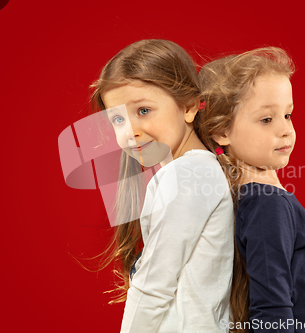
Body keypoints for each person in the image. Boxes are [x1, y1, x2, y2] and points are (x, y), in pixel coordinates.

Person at [197, 47, 305, 332]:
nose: (285, 130)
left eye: (288, 115)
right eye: (267, 119)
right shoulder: (267, 205)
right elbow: (271, 307)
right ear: (222, 131)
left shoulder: (264, 198)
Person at [89, 39, 234, 333]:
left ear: (189, 107)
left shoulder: (188, 173)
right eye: (117, 119)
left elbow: (155, 283)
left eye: (143, 111)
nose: (130, 131)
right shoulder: (195, 170)